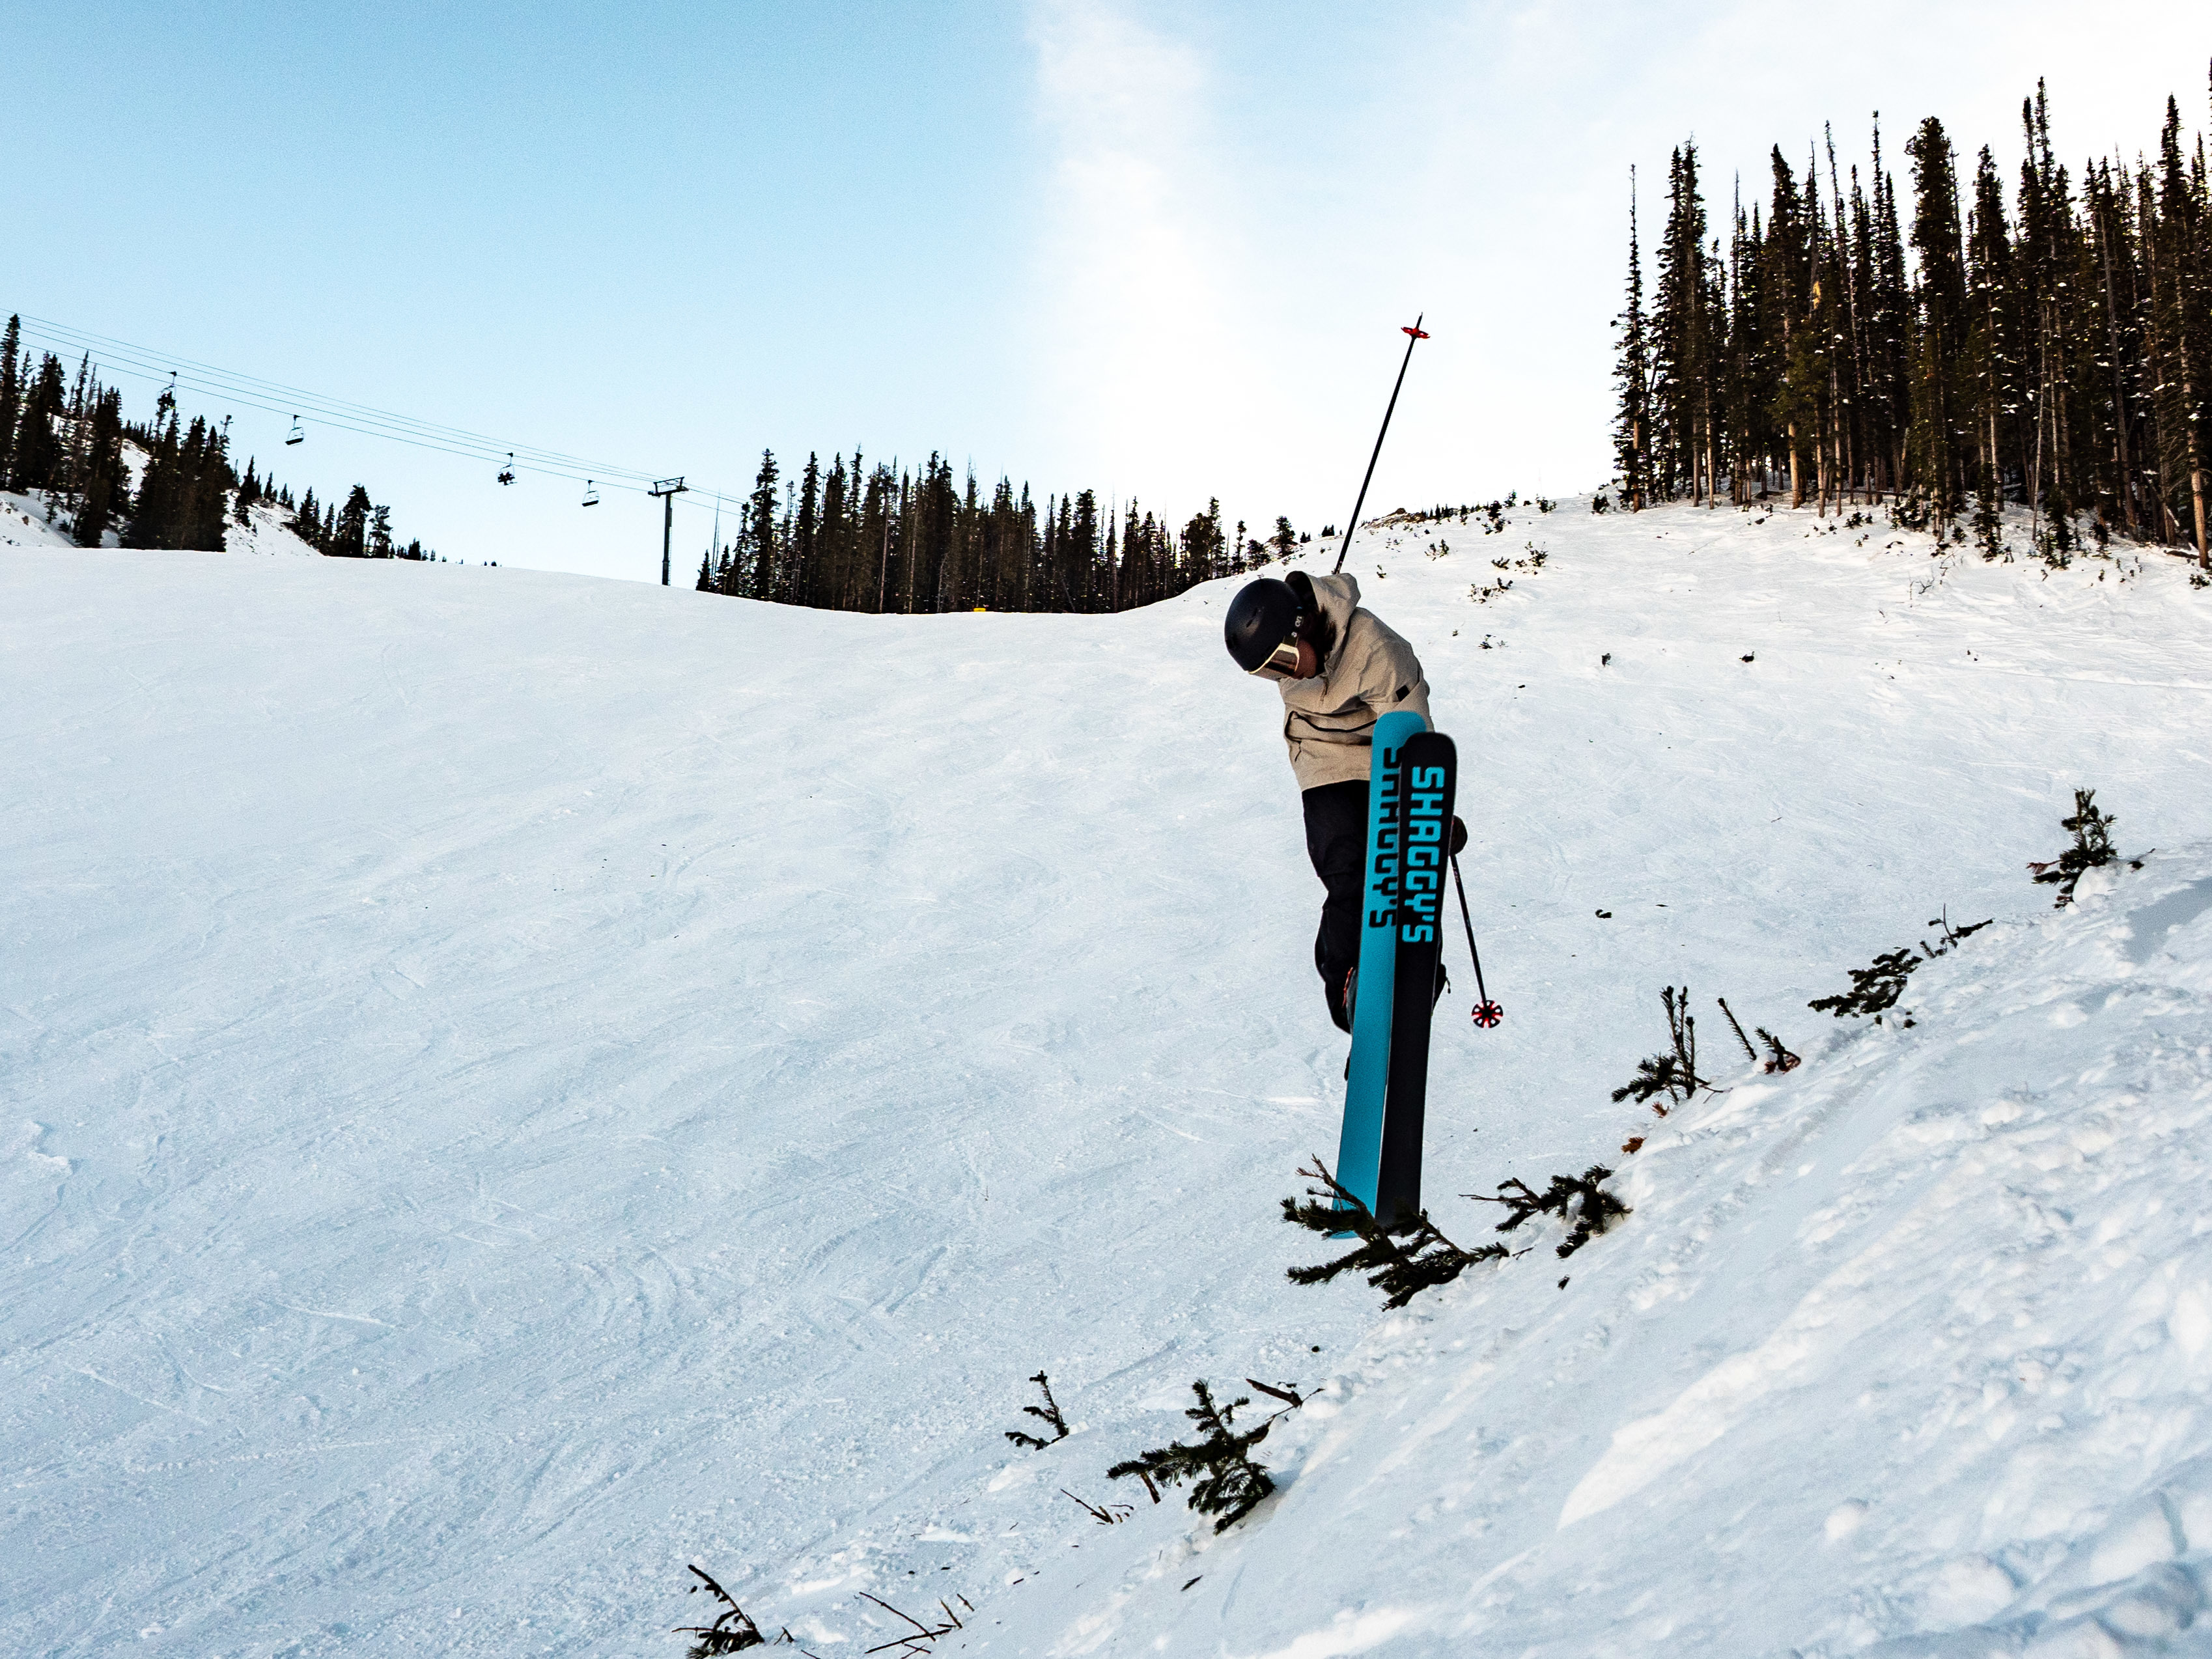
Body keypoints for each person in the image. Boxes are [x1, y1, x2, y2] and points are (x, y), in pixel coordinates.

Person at [1224, 569, 1461, 1032]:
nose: (1284, 674)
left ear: (1302, 629)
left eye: (1281, 661)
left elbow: (1409, 730)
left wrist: (1427, 810)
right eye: (1269, 671)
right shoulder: (1299, 646)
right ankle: (1348, 994)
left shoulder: (1376, 650)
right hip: (1320, 757)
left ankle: (1418, 977)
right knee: (1345, 869)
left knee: (1402, 871)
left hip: (1381, 754)